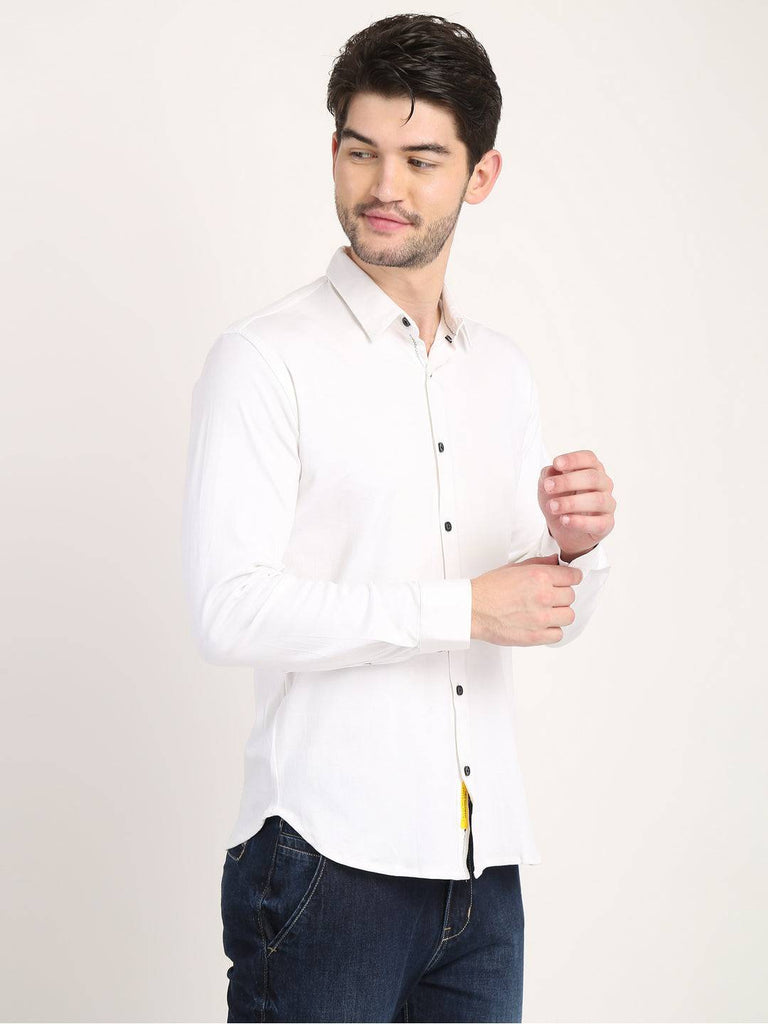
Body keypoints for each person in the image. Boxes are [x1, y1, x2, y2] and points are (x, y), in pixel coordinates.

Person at [181, 13, 616, 1023]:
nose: (384, 186)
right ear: (333, 151)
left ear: (481, 175)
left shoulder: (501, 371)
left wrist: (579, 550)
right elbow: (227, 609)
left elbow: (537, 612)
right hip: (326, 859)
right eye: (361, 151)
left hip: (482, 868)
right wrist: (464, 607)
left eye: (421, 160)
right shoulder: (264, 360)